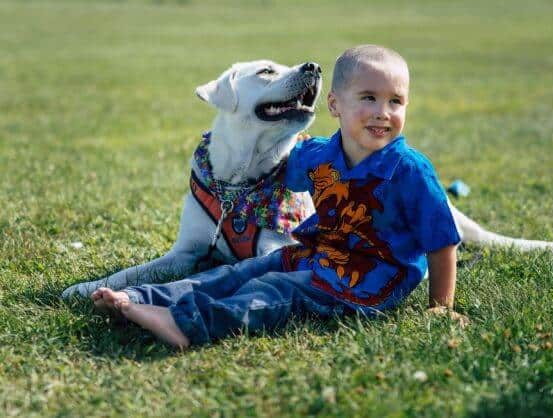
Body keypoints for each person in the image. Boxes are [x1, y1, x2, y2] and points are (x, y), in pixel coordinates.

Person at [92, 45, 466, 348]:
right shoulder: (317, 154)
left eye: (396, 102)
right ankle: (145, 297)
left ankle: (185, 324)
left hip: (366, 280)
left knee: (276, 290)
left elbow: (443, 242)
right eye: (369, 98)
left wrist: (441, 306)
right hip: (316, 255)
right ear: (334, 105)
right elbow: (260, 168)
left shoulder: (410, 169)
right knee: (241, 270)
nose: (383, 113)